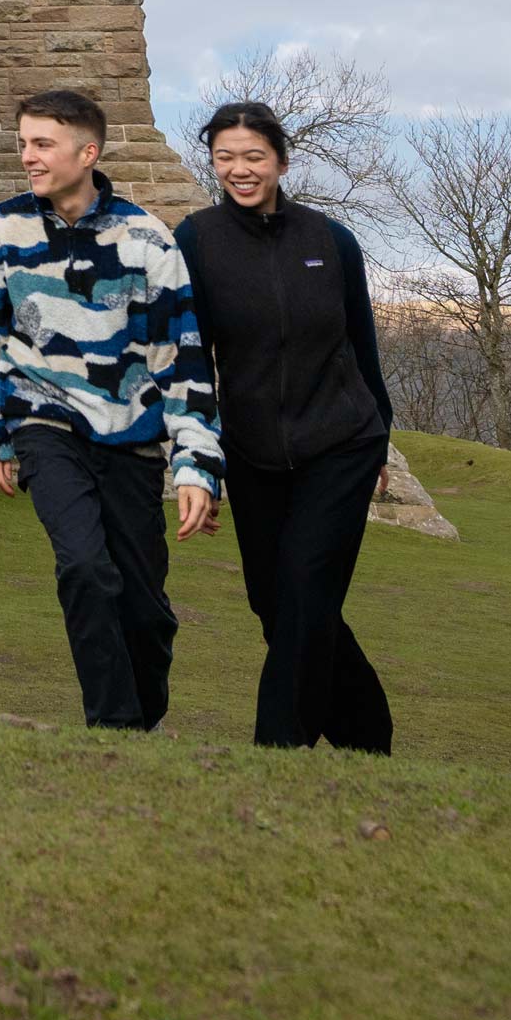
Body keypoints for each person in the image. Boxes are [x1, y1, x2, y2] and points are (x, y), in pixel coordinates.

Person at [0, 88, 221, 731]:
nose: (28, 157)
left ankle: (143, 718)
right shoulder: (1, 231)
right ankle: (114, 729)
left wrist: (196, 467)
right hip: (43, 422)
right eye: (23, 143)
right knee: (84, 568)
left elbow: (180, 358)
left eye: (42, 144)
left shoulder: (147, 240)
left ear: (88, 152)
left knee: (145, 610)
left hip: (131, 437)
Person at [174, 99, 396, 754]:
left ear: (280, 161)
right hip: (252, 453)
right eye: (225, 158)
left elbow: (361, 347)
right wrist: (202, 464)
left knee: (304, 587)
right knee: (277, 604)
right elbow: (193, 362)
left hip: (341, 444)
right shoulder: (197, 241)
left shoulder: (331, 242)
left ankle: (279, 750)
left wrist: (379, 437)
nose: (240, 170)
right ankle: (365, 733)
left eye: (254, 157)